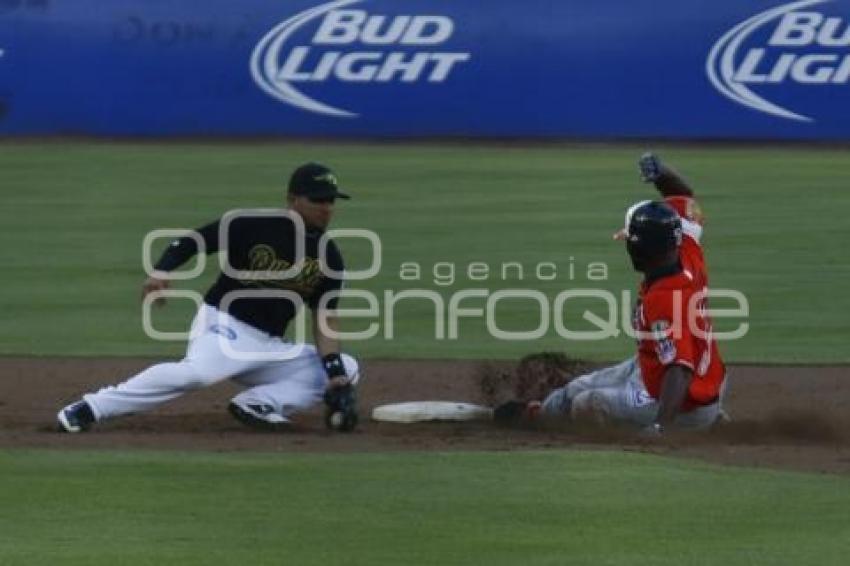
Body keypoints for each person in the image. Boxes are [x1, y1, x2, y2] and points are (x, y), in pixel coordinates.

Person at [57, 162, 361, 433]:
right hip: (225, 324)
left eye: (331, 200)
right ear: (292, 200)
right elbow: (191, 241)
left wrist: (334, 375)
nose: (327, 207)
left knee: (347, 367)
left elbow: (325, 316)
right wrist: (162, 271)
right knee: (197, 374)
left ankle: (258, 404)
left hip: (268, 346)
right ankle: (91, 408)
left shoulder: (329, 256)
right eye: (317, 199)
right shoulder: (252, 225)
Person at [498, 153, 727, 433]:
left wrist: (660, 428)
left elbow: (679, 370)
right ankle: (539, 416)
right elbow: (682, 195)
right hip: (660, 370)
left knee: (588, 403)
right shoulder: (685, 246)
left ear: (640, 249)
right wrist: (660, 173)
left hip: (684, 403)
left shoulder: (664, 300)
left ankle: (690, 427)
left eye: (629, 240)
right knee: (572, 392)